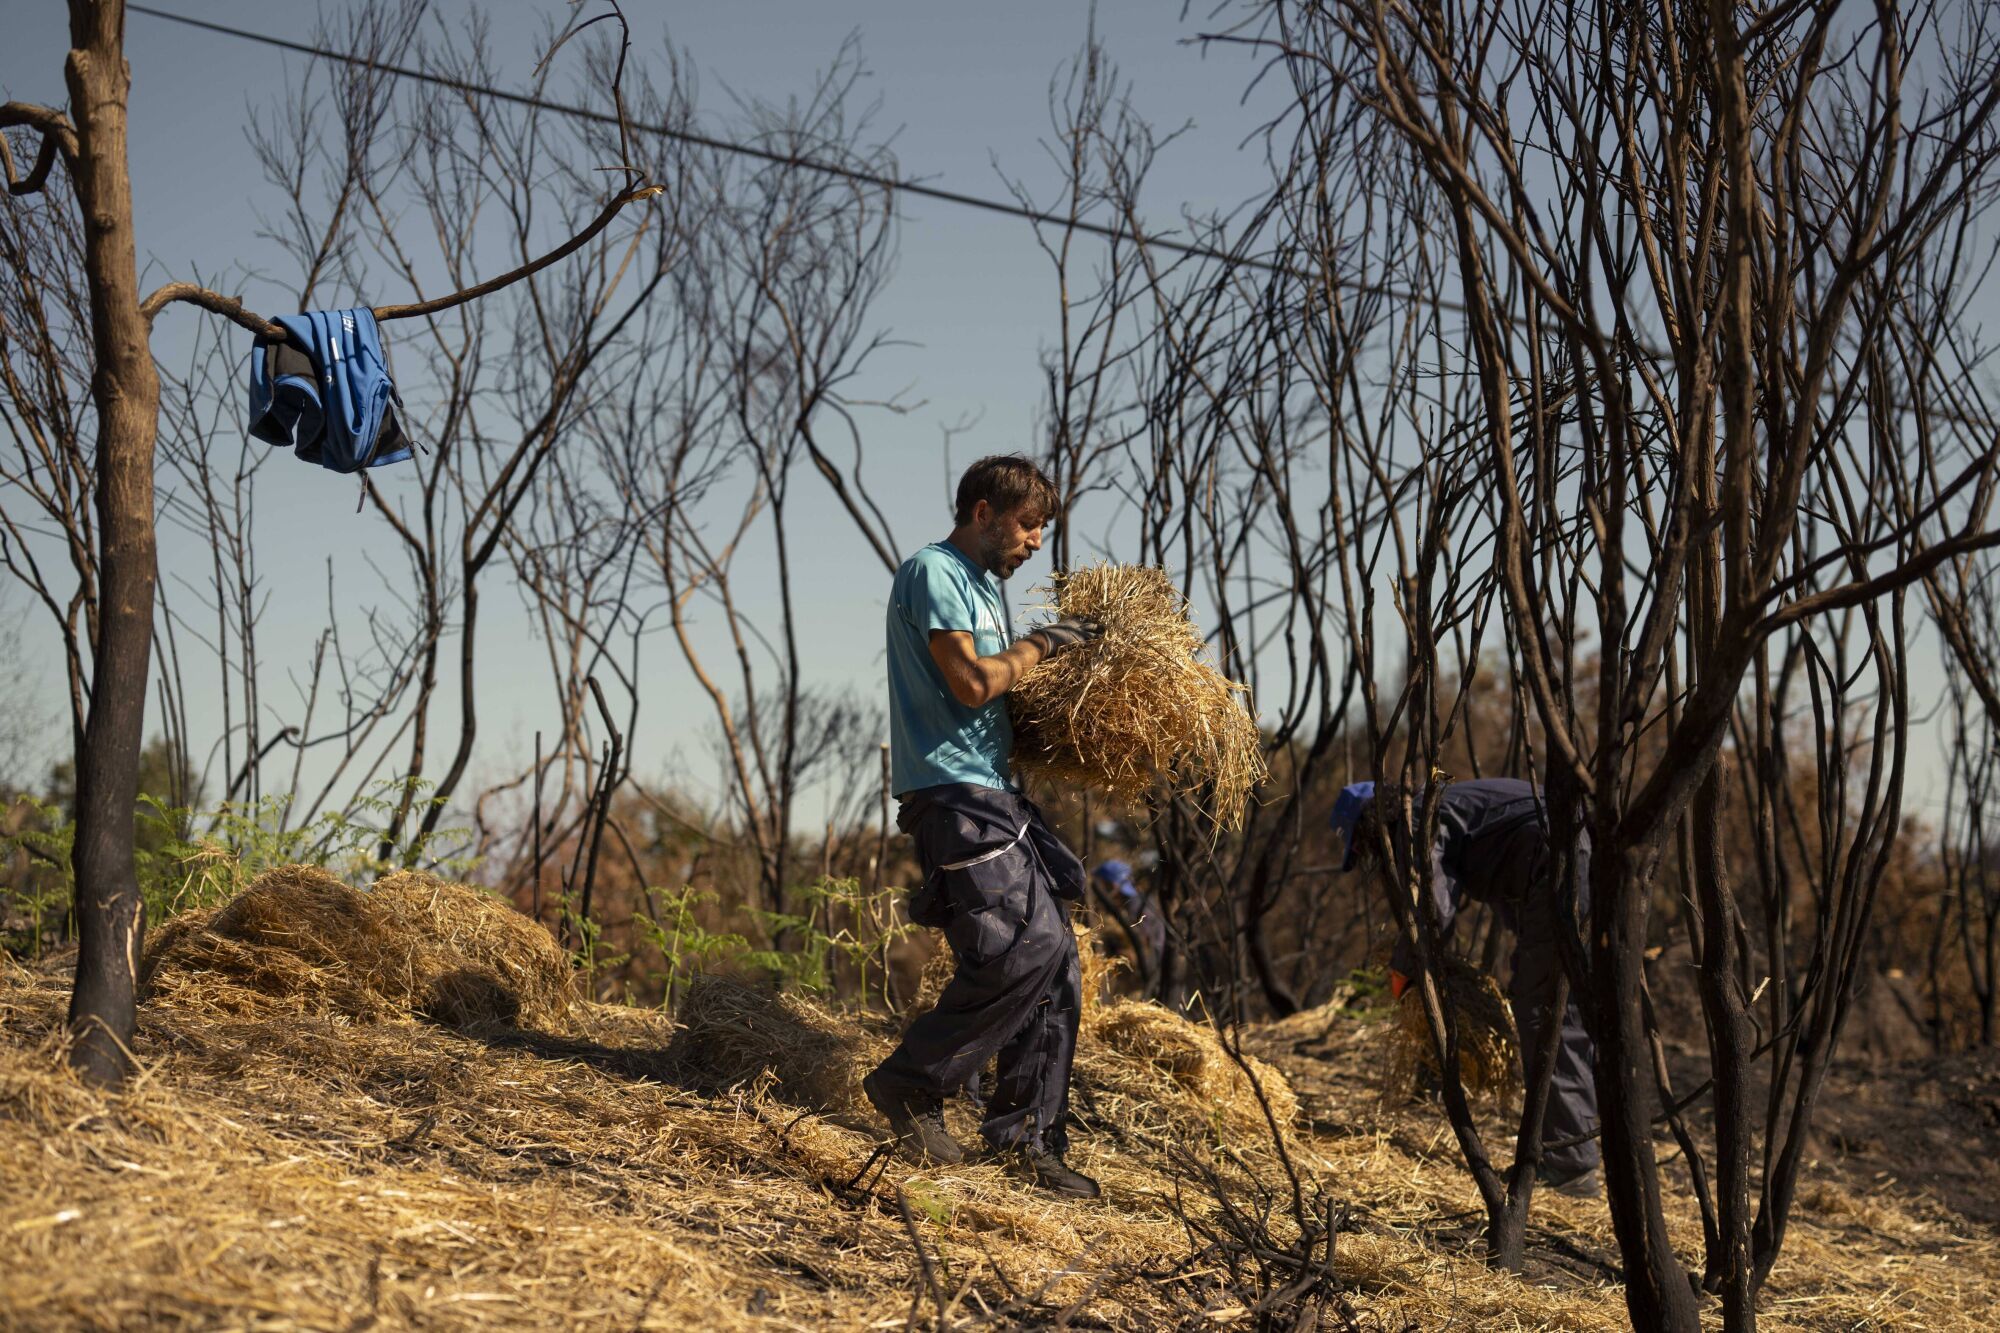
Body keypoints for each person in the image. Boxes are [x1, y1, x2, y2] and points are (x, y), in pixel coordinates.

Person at [863, 454, 1105, 1199]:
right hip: (952, 795)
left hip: (995, 793)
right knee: (1020, 947)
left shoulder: (981, 591)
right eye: (1030, 525)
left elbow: (996, 695)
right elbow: (971, 683)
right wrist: (1042, 645)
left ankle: (1029, 1138)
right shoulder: (934, 571)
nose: (1035, 541)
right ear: (982, 512)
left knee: (1056, 958)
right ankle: (912, 1082)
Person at [1330, 777, 1602, 1197]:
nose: (1371, 858)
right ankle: (1583, 1145)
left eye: (1364, 846)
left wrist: (1405, 970)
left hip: (1563, 865)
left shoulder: (1415, 820)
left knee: (1547, 1010)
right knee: (1565, 1005)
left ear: (1371, 825)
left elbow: (1433, 912)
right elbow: (1498, 859)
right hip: (1581, 855)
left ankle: (1571, 1166)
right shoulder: (1449, 804)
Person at [1089, 859, 1166, 993]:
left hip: (1152, 971)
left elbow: (1143, 944)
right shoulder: (1132, 903)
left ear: (1112, 885)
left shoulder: (1137, 906)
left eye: (1101, 884)